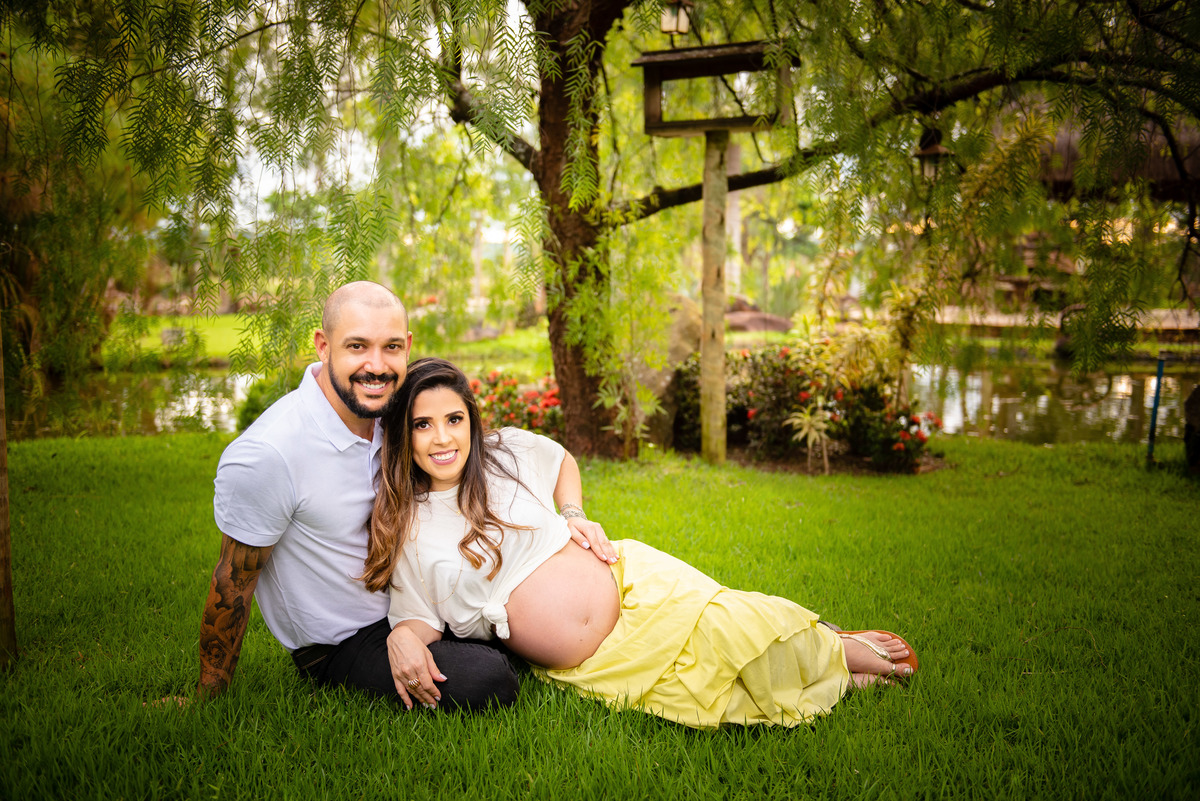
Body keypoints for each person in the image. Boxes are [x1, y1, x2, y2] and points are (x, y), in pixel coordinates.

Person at [361, 358, 919, 729]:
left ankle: (837, 648)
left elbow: (562, 460)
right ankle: (836, 678)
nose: (443, 437)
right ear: (403, 435)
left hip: (630, 582)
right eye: (423, 424)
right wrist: (401, 639)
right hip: (596, 661)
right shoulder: (412, 530)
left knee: (732, 627)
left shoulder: (501, 453)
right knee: (710, 699)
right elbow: (420, 617)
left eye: (454, 418)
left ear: (471, 420)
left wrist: (574, 515)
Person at [195, 282, 518, 711]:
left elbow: (482, 452)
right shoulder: (270, 454)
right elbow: (232, 583)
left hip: (423, 596)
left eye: (391, 347)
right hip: (349, 640)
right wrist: (207, 696)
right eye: (357, 346)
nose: (376, 366)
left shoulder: (397, 414)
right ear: (323, 346)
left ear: (407, 347)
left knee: (534, 601)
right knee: (488, 679)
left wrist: (569, 516)